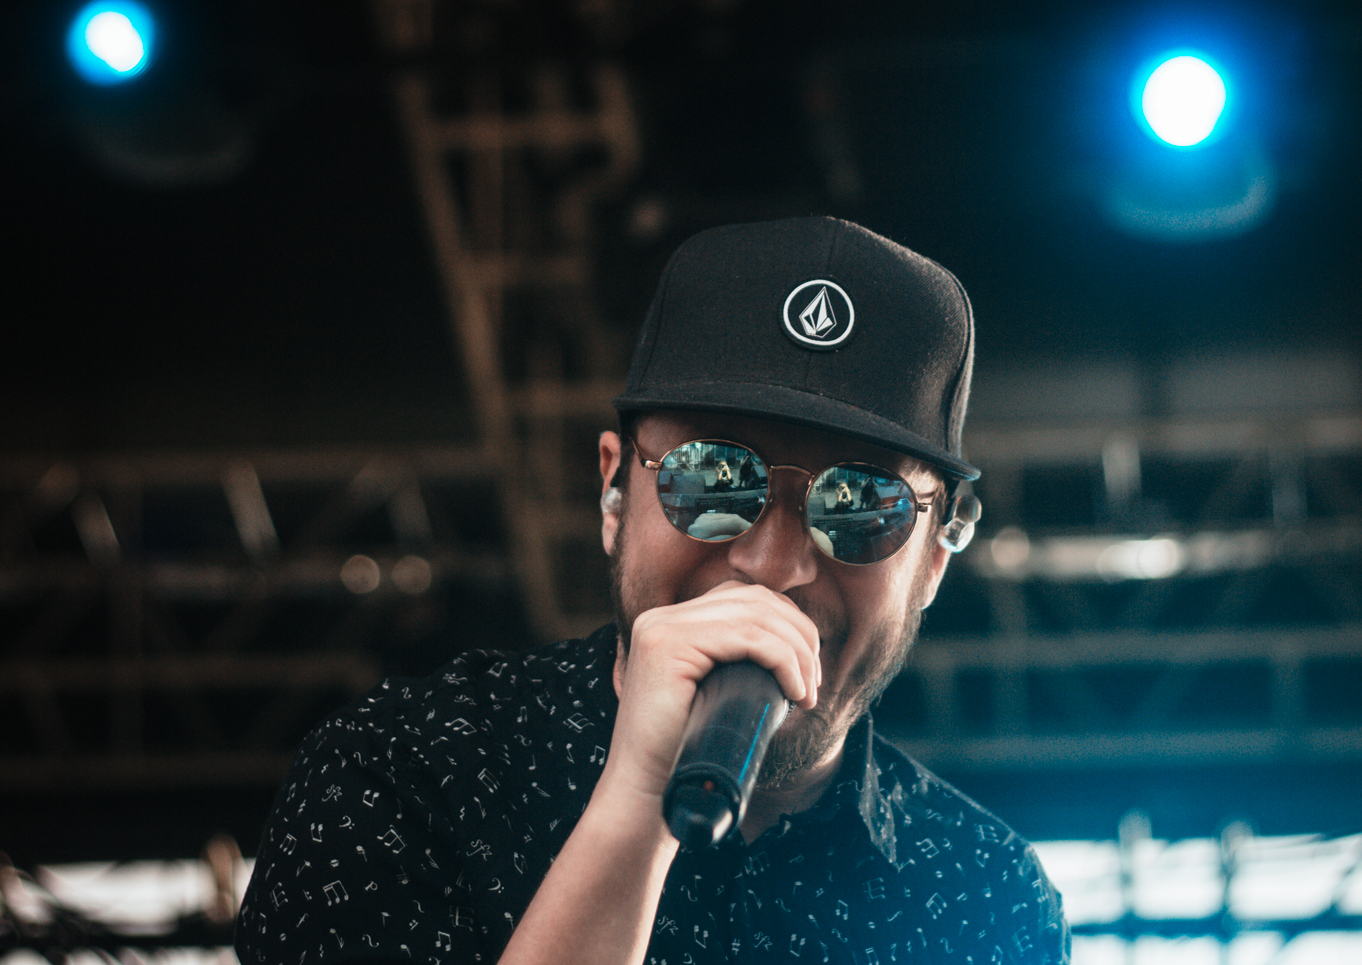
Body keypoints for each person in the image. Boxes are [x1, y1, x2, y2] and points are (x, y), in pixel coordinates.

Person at [235, 217, 1069, 965]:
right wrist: (638, 803)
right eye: (713, 477)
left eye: (860, 503)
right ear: (613, 491)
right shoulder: (400, 774)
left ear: (934, 559)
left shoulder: (986, 894)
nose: (774, 564)